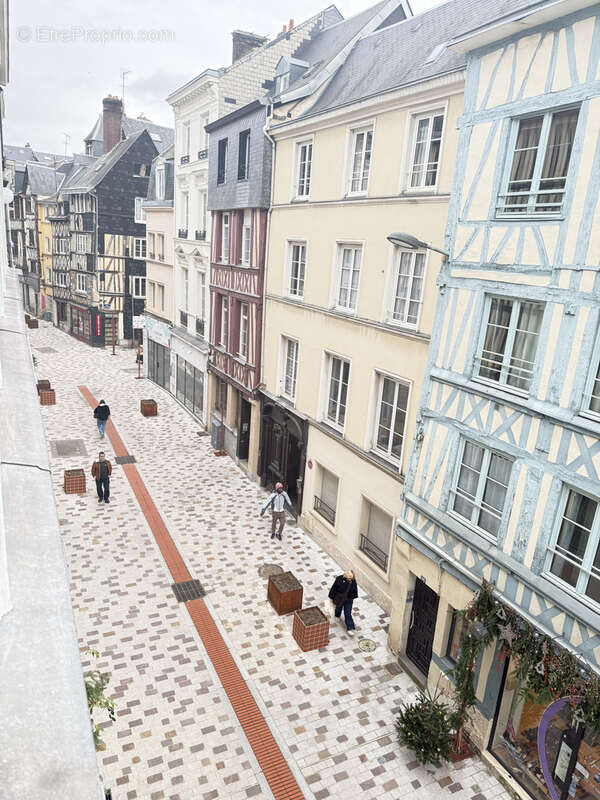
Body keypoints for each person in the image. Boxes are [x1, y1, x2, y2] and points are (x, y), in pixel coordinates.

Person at [328, 570, 358, 637]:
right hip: (340, 599)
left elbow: (355, 590)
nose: (350, 579)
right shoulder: (339, 579)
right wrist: (331, 598)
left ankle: (350, 628)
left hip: (348, 600)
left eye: (351, 578)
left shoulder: (353, 581)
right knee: (338, 608)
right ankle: (337, 615)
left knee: (348, 613)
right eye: (349, 578)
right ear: (345, 576)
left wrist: (352, 597)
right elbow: (334, 588)